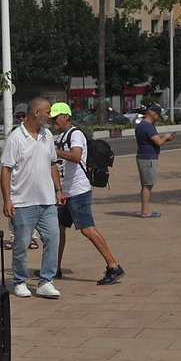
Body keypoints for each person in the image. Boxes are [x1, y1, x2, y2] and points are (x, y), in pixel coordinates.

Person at [50, 103, 123, 285]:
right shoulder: (61, 136)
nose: (53, 121)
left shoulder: (75, 134)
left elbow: (75, 156)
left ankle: (114, 266)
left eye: (55, 117)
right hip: (66, 193)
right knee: (58, 229)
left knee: (87, 229)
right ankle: (54, 268)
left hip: (78, 191)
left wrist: (53, 151)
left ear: (66, 116)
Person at [0, 97, 61, 297]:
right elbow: (6, 170)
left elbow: (53, 163)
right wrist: (7, 199)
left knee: (53, 238)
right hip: (23, 202)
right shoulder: (16, 138)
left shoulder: (47, 135)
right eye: (47, 112)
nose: (49, 116)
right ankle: (19, 281)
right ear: (36, 113)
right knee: (22, 245)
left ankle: (46, 281)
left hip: (47, 201)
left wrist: (58, 190)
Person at [134, 104, 174, 218]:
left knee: (146, 184)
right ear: (153, 114)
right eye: (157, 116)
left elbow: (153, 141)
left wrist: (165, 139)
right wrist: (166, 136)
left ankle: (144, 209)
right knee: (148, 184)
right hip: (148, 158)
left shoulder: (141, 125)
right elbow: (158, 142)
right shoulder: (147, 126)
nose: (158, 118)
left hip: (144, 156)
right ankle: (145, 211)